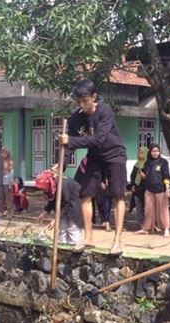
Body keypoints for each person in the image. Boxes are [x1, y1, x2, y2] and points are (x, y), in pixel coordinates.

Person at [60, 79, 127, 255]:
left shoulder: (105, 111)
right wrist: (61, 165)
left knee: (118, 195)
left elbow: (99, 139)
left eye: (85, 100)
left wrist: (71, 140)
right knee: (85, 194)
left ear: (94, 97)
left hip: (115, 154)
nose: (82, 105)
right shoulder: (75, 118)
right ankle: (88, 237)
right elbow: (69, 146)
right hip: (95, 156)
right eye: (78, 101)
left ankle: (117, 240)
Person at [36, 167, 84, 247]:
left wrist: (56, 219)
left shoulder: (63, 184)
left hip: (74, 206)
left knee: (73, 230)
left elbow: (67, 203)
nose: (43, 192)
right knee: (62, 230)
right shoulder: (53, 186)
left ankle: (73, 250)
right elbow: (53, 200)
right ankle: (62, 250)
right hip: (63, 207)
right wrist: (45, 212)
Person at [136, 144, 170, 237]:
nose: (155, 153)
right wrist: (141, 173)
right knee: (148, 210)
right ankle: (146, 228)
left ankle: (166, 228)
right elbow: (146, 177)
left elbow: (166, 176)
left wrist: (167, 188)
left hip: (161, 190)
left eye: (157, 151)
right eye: (153, 151)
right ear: (150, 152)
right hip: (149, 190)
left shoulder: (163, 162)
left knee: (163, 210)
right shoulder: (147, 163)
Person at [129, 146, 148, 227]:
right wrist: (133, 185)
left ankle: (147, 223)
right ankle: (140, 223)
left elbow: (150, 177)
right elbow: (132, 175)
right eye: (139, 153)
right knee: (138, 206)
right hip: (137, 188)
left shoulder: (148, 164)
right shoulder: (137, 164)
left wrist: (144, 176)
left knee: (146, 207)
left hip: (145, 188)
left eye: (142, 153)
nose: (140, 154)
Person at [0, 147, 14, 217]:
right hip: (1, 180)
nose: (3, 154)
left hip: (7, 180)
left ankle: (9, 212)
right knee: (1, 197)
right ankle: (1, 211)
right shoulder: (0, 161)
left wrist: (10, 183)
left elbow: (11, 172)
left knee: (8, 197)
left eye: (5, 153)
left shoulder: (9, 161)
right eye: (2, 153)